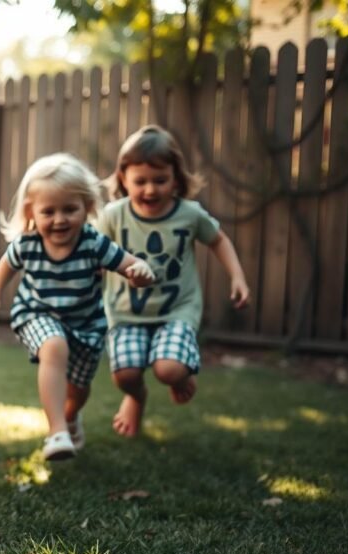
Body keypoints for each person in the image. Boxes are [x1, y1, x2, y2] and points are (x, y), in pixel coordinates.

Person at [0, 153, 154, 460]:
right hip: (36, 313)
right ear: (31, 212)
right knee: (54, 346)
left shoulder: (92, 243)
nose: (59, 219)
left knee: (78, 389)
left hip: (86, 324)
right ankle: (56, 431)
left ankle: (70, 417)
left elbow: (129, 265)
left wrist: (140, 272)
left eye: (69, 209)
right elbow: (5, 267)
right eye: (49, 212)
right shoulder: (28, 243)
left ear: (86, 207)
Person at [99, 125, 250, 437]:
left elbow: (218, 240)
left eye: (160, 180)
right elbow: (94, 255)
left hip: (177, 310)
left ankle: (182, 374)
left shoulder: (189, 214)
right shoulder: (113, 216)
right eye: (140, 181)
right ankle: (135, 397)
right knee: (125, 375)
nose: (150, 190)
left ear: (176, 179)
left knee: (168, 369)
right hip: (126, 312)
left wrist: (237, 277)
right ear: (123, 179)